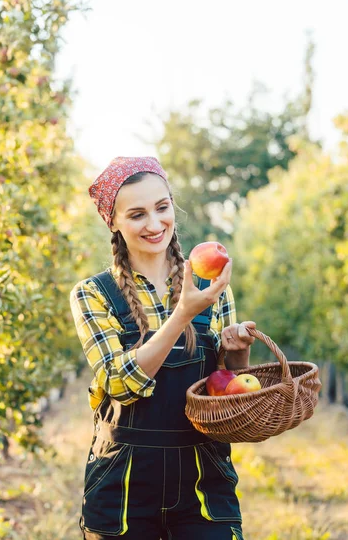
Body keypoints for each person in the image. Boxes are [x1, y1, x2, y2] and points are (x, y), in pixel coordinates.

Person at [70, 156, 256, 540]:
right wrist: (183, 314)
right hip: (123, 482)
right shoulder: (93, 294)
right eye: (137, 214)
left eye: (162, 207)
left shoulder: (211, 287)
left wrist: (237, 353)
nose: (155, 225)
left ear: (172, 205)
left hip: (202, 477)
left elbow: (223, 391)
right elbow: (119, 383)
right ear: (115, 223)